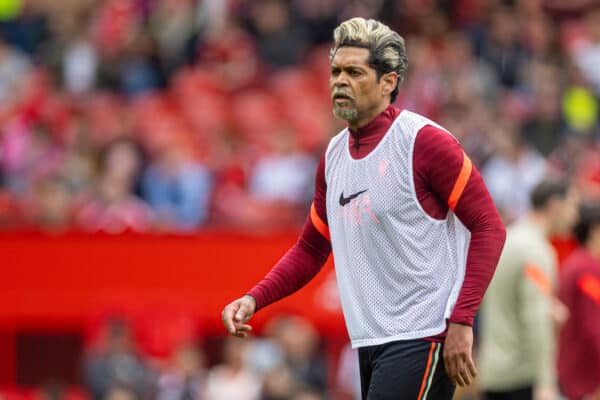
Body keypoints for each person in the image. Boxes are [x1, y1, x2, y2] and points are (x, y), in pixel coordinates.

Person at [222, 17, 506, 399]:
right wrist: (255, 298)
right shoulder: (333, 156)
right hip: (371, 340)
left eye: (354, 72)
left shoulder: (425, 143)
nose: (340, 80)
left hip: (425, 332)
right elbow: (311, 248)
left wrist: (462, 320)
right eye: (336, 71)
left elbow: (489, 226)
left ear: (388, 82)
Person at [478, 179, 579, 400]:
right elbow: (536, 318)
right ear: (554, 205)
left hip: (494, 372)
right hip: (521, 377)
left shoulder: (509, 238)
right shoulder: (536, 251)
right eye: (572, 206)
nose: (575, 216)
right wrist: (545, 382)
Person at [558, 202, 600, 400]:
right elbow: (593, 329)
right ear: (595, 230)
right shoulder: (587, 271)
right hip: (586, 382)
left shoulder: (576, 263)